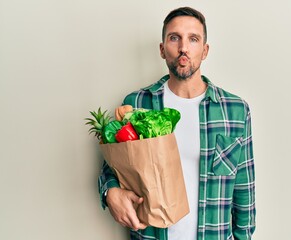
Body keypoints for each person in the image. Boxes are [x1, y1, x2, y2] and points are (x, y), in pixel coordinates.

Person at [98, 6, 256, 240]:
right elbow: (114, 167)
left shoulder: (235, 110)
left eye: (193, 39)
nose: (183, 47)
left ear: (205, 50)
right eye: (174, 38)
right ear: (162, 49)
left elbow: (244, 190)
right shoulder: (138, 104)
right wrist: (110, 191)